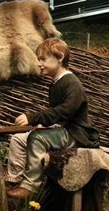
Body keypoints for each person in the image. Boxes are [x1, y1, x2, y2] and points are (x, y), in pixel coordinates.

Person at [6, 38, 99, 199]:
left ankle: (30, 187)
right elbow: (57, 114)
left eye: (43, 59)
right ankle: (16, 179)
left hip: (76, 134)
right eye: (38, 59)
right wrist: (48, 126)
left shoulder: (71, 83)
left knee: (36, 137)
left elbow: (66, 110)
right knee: (18, 139)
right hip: (63, 130)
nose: (39, 63)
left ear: (60, 57)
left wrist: (34, 118)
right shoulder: (56, 83)